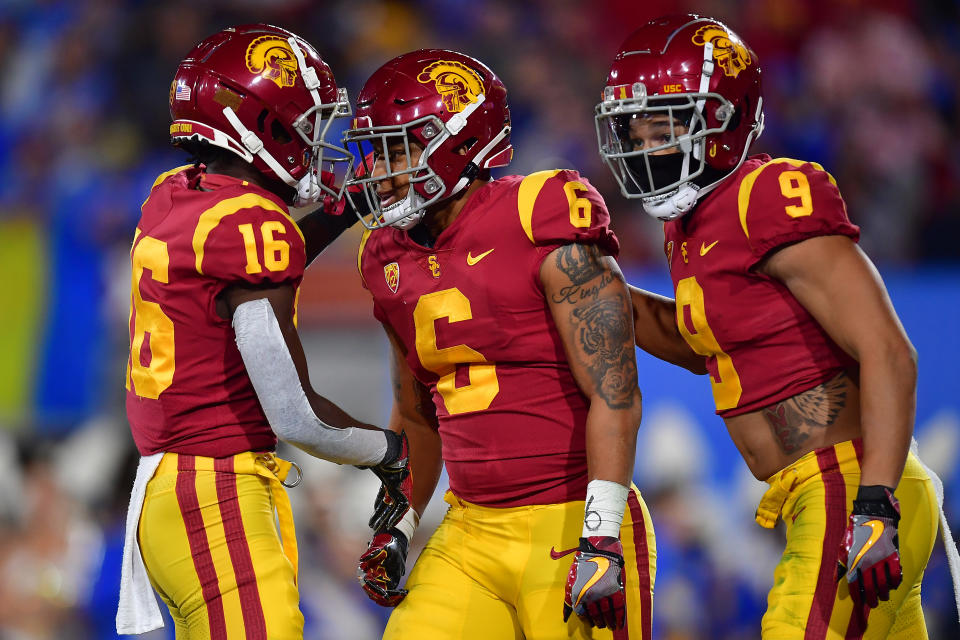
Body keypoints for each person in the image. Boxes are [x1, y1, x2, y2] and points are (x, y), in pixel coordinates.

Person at [593, 13, 944, 639]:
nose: (644, 144)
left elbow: (889, 352)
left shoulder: (767, 195)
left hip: (851, 483)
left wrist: (875, 504)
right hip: (824, 488)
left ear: (721, 122)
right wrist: (600, 290)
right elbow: (705, 343)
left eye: (663, 124)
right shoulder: (689, 224)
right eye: (634, 127)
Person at [343, 49, 655, 639]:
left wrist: (603, 536)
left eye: (402, 147)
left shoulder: (538, 211)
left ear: (461, 142)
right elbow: (416, 413)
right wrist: (399, 522)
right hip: (471, 529)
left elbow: (615, 390)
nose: (382, 169)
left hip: (571, 523)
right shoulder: (383, 254)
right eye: (378, 150)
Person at [117, 24, 410, 638]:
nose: (315, 143)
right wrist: (389, 452)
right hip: (215, 491)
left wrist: (347, 209)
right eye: (305, 125)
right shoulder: (251, 227)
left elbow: (243, 271)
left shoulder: (175, 194)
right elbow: (296, 415)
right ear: (262, 127)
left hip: (170, 489)